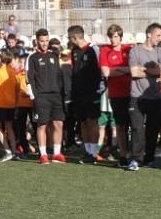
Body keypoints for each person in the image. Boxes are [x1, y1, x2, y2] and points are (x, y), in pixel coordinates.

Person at [124, 23, 161, 171]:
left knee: (153, 129)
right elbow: (134, 73)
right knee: (137, 128)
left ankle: (149, 158)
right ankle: (136, 159)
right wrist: (152, 71)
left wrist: (143, 69)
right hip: (137, 97)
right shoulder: (135, 51)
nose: (160, 38)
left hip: (155, 97)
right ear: (149, 34)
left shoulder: (160, 51)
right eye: (158, 35)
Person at [26, 29, 67, 164]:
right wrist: (34, 96)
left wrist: (62, 93)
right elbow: (29, 78)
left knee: (58, 123)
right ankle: (43, 154)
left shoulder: (54, 56)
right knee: (42, 125)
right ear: (37, 41)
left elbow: (59, 77)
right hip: (41, 96)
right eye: (42, 41)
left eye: (46, 41)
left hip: (55, 96)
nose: (44, 43)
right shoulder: (32, 57)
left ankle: (56, 153)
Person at [68, 25, 103, 164]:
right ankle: (88, 151)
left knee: (92, 121)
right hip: (78, 93)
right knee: (82, 122)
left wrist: (98, 89)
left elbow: (100, 71)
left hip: (92, 92)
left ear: (75, 37)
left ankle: (94, 153)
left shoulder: (93, 49)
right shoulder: (74, 51)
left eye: (70, 38)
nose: (70, 41)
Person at [100, 24, 133, 166]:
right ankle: (123, 155)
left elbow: (134, 69)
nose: (113, 40)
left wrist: (117, 69)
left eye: (115, 37)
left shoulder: (129, 50)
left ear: (120, 36)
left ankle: (136, 154)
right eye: (111, 37)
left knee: (135, 125)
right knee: (120, 126)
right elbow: (106, 73)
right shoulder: (105, 51)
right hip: (116, 94)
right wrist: (125, 70)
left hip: (132, 93)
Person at [0, 51, 20, 160]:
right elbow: (17, 89)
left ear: (1, 60)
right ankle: (13, 151)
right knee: (9, 127)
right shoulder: (13, 72)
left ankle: (7, 150)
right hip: (11, 104)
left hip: (1, 104)